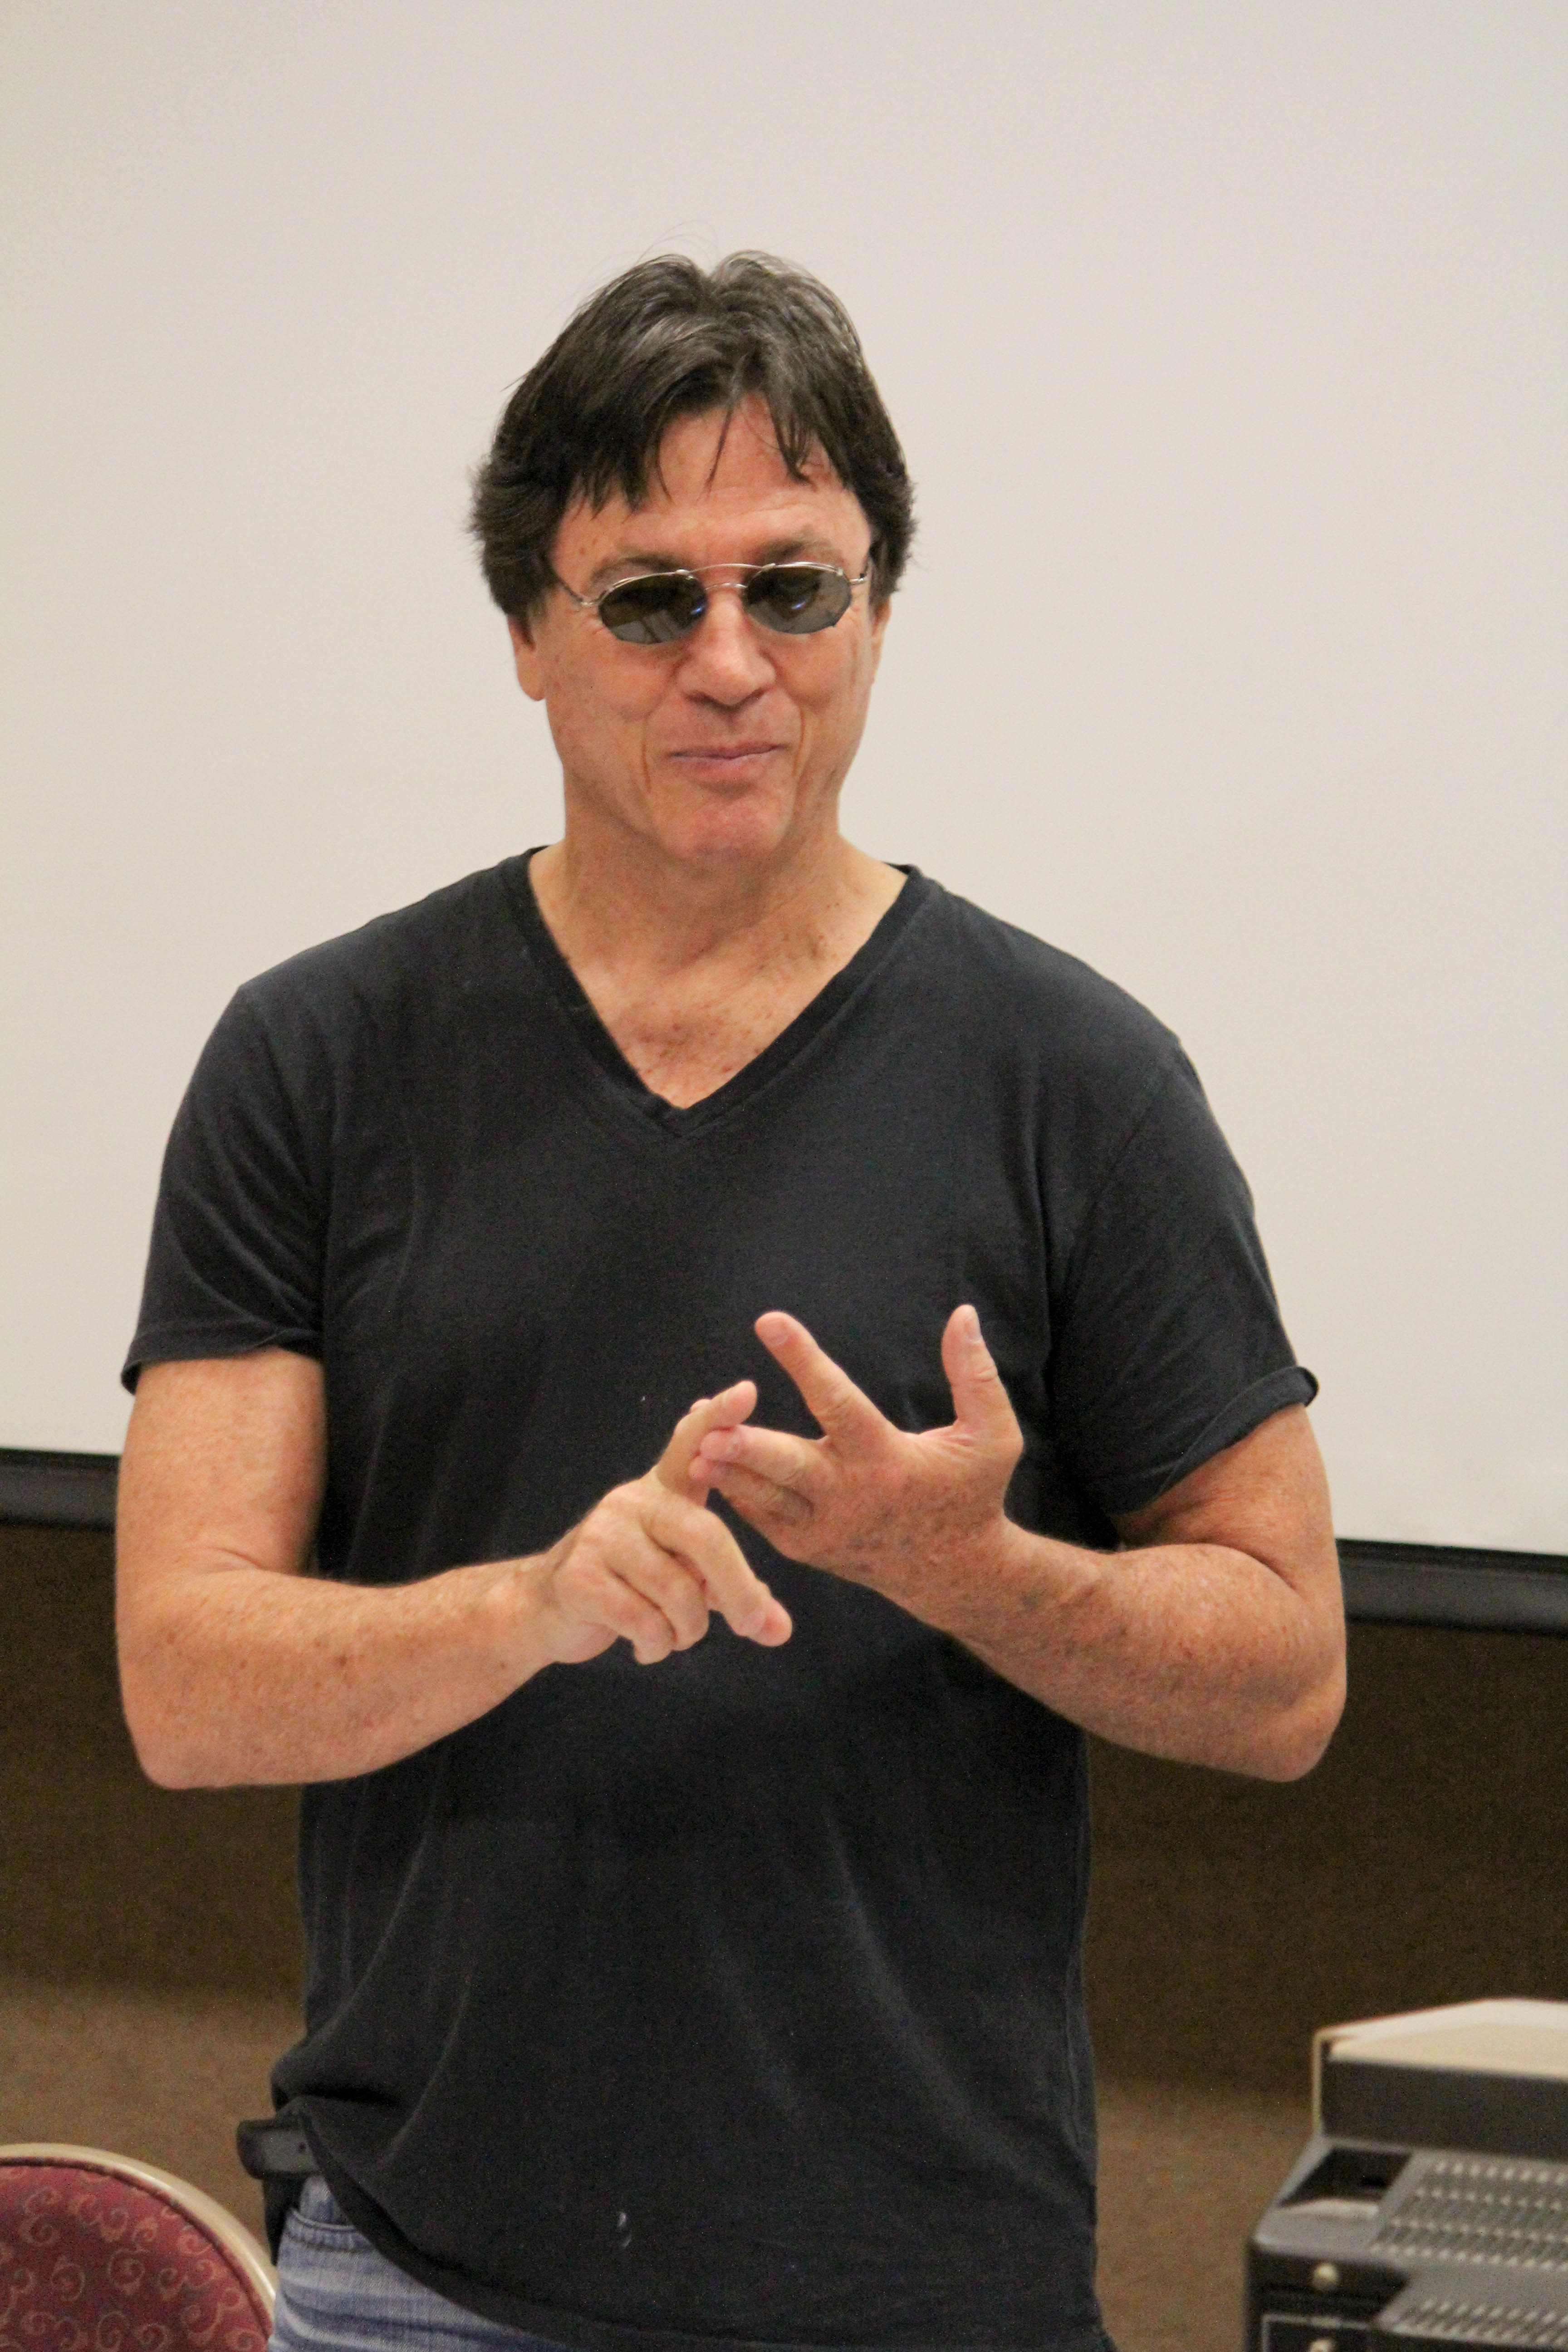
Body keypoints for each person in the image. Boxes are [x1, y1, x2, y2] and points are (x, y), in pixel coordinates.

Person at [116, 253, 1344, 2352]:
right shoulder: (318, 1060)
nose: (731, 664)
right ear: (526, 633)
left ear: (876, 613)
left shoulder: (1077, 1080)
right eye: (647, 600)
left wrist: (971, 1572)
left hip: (922, 2289)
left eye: (795, 589)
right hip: (423, 2277)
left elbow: (1286, 1676)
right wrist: (532, 1607)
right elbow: (184, 1682)